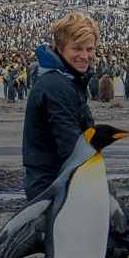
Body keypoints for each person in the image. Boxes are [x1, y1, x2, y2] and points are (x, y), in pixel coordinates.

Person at [22, 11, 99, 199]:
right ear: (60, 48)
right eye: (77, 49)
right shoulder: (56, 86)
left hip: (58, 183)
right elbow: (72, 146)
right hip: (54, 188)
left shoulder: (65, 80)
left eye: (89, 49)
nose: (84, 56)